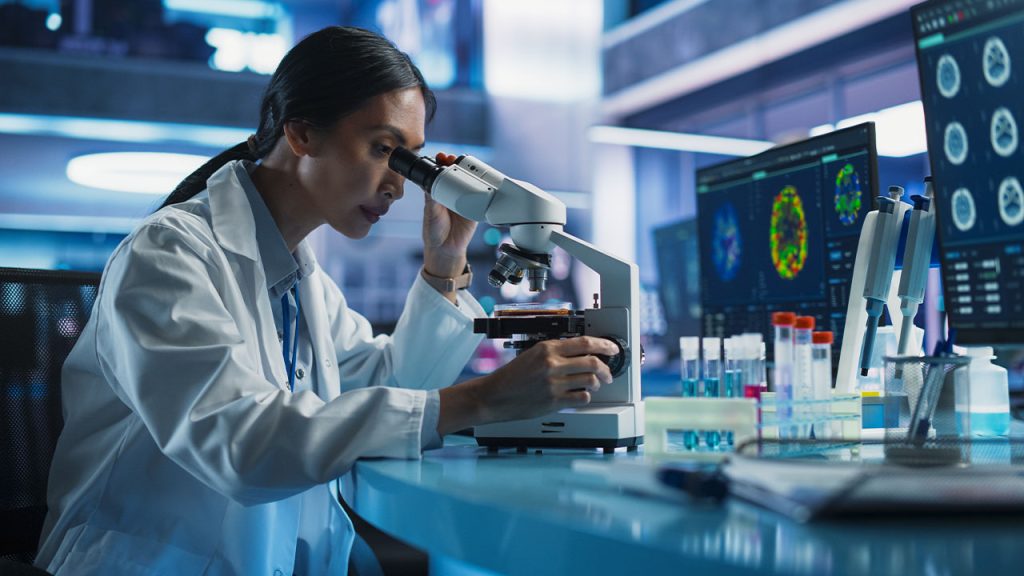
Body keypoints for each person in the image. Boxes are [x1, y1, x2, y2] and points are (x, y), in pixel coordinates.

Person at [35, 26, 616, 576]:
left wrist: (443, 267)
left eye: (410, 161)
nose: (398, 183)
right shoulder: (168, 254)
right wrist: (482, 401)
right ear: (302, 131)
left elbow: (387, 384)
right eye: (384, 149)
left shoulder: (302, 278)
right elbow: (237, 441)